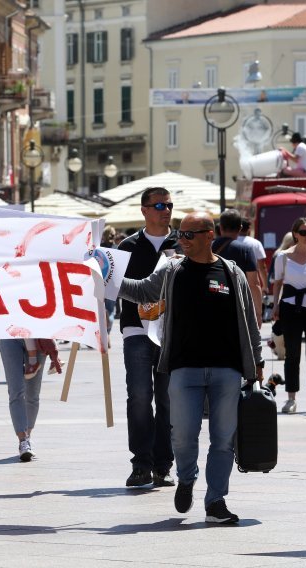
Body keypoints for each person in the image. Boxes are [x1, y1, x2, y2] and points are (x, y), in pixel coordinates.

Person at [119, 212, 263, 524]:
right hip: (184, 369)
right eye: (181, 234)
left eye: (189, 235)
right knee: (183, 436)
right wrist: (107, 278)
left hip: (227, 370)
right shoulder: (172, 269)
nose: (181, 240)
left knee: (224, 439)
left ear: (209, 235)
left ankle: (215, 501)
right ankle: (186, 479)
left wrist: (257, 359)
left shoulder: (231, 272)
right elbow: (143, 292)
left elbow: (248, 320)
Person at [116, 187, 179, 489]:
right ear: (143, 210)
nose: (165, 209)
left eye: (168, 204)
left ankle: (163, 466)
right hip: (136, 331)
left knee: (168, 401)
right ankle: (141, 463)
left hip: (173, 334)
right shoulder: (127, 247)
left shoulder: (182, 243)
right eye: (158, 205)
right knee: (140, 397)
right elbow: (110, 285)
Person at [271, 217, 306, 414]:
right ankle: (291, 398)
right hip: (290, 308)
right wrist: (275, 306)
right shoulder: (283, 257)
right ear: (295, 234)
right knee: (292, 354)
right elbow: (277, 283)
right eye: (303, 232)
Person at [0, 338, 47, 461]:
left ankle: (28, 434)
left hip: (37, 335)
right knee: (15, 391)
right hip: (9, 336)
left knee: (33, 393)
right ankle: (23, 440)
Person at [214, 210, 263, 323]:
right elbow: (254, 283)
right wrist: (258, 313)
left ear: (220, 227)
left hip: (212, 303)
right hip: (239, 306)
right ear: (240, 228)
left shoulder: (208, 248)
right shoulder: (246, 250)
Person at [238, 218, 269, 295]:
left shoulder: (231, 241)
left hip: (234, 282)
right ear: (249, 229)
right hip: (252, 283)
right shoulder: (256, 243)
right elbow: (262, 267)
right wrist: (265, 286)